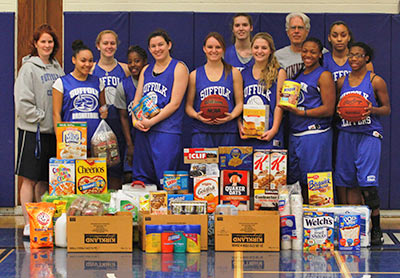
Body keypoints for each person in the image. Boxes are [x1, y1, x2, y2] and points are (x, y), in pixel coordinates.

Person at [334, 42, 390, 245]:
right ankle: (354, 228)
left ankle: (376, 228)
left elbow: (387, 109)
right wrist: (340, 112)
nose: (354, 59)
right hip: (347, 134)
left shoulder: (376, 81)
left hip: (368, 134)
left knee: (368, 185)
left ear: (367, 58)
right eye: (351, 55)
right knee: (347, 183)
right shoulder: (341, 82)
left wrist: (371, 110)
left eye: (358, 55)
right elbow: (336, 109)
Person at [14, 24, 64, 237]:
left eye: (50, 41)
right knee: (29, 178)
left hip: (54, 132)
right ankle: (27, 222)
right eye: (43, 41)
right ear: (35, 44)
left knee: (45, 179)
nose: (47, 45)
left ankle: (42, 221)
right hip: (33, 131)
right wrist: (42, 117)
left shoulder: (57, 68)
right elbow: (22, 101)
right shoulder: (28, 67)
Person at [279, 37, 335, 203]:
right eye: (305, 51)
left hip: (315, 133)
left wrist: (301, 112)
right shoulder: (299, 74)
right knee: (298, 182)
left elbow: (329, 109)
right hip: (296, 134)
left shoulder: (324, 75)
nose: (308, 55)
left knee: (317, 183)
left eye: (313, 51)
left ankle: (320, 223)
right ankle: (302, 223)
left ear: (319, 54)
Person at [131, 30, 189, 187]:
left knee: (166, 178)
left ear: (169, 45)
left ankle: (167, 211)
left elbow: (175, 103)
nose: (157, 49)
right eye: (153, 46)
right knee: (141, 178)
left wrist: (151, 122)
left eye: (160, 45)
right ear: (149, 49)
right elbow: (136, 100)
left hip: (166, 131)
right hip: (144, 131)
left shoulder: (179, 68)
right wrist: (135, 121)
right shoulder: (146, 70)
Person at [185, 32, 243, 148]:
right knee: (202, 167)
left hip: (228, 131)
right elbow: (188, 107)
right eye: (210, 47)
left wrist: (231, 116)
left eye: (218, 47)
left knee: (228, 167)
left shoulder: (234, 72)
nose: (214, 51)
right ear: (204, 49)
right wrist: (197, 116)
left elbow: (240, 103)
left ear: (223, 49)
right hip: (201, 132)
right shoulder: (194, 75)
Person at [91, 30, 130, 189]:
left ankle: (115, 202)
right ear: (98, 46)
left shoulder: (125, 69)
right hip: (98, 126)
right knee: (97, 167)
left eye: (112, 43)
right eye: (105, 43)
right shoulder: (91, 69)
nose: (109, 46)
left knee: (116, 168)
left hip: (119, 124)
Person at [52, 40, 108, 150]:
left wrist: (105, 111)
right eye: (83, 60)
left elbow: (103, 107)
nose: (87, 64)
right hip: (72, 141)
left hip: (96, 141)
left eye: (90, 61)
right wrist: (60, 140)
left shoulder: (98, 82)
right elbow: (56, 114)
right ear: (74, 60)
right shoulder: (61, 83)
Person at [239, 32, 286, 149]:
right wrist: (240, 126)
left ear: (271, 51)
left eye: (264, 48)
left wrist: (274, 130)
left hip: (270, 133)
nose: (259, 51)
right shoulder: (243, 74)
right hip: (248, 134)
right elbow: (238, 104)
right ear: (251, 49)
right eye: (256, 47)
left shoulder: (279, 73)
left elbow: (279, 105)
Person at [114, 45, 148, 182]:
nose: (133, 65)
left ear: (145, 62)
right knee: (129, 176)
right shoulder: (123, 85)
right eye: (130, 62)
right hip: (132, 137)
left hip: (150, 136)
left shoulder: (152, 82)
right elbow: (123, 117)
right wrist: (130, 145)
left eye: (137, 61)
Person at [275, 12, 310, 79]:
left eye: (300, 28)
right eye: (293, 28)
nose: (296, 31)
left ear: (307, 32)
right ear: (288, 32)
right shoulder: (277, 56)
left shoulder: (321, 53)